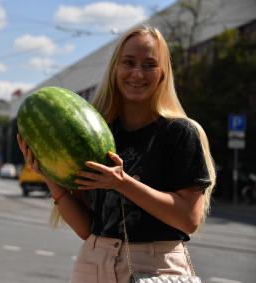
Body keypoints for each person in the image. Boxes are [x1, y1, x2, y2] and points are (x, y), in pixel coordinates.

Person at [17, 24, 216, 283]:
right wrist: (49, 176)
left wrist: (122, 183)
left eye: (149, 65)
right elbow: (88, 228)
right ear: (115, 69)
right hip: (95, 262)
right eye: (129, 62)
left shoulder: (180, 133)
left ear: (163, 73)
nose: (137, 73)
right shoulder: (96, 134)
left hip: (155, 269)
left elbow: (188, 219)